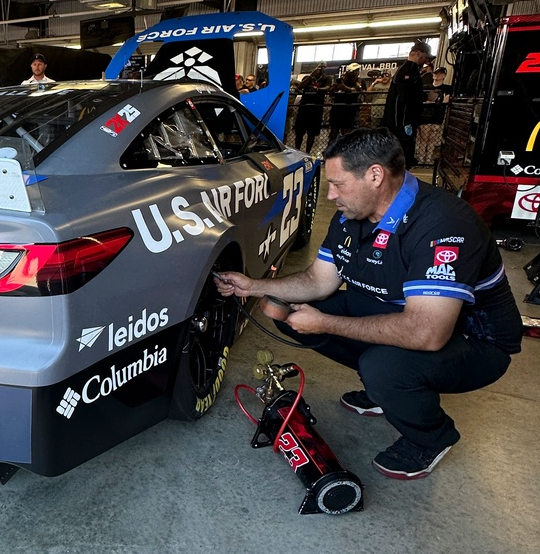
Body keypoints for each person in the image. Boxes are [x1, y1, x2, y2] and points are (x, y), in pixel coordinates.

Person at [215, 129, 520, 480]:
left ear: (375, 176)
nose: (330, 195)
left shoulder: (443, 224)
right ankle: (383, 391)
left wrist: (326, 324)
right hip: (403, 313)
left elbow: (428, 333)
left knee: (384, 366)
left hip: (474, 343)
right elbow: (318, 280)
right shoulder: (352, 216)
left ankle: (431, 436)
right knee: (284, 308)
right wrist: (253, 286)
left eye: (338, 184)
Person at [383, 40, 433, 169]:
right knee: (403, 150)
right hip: (402, 120)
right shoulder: (408, 69)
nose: (427, 60)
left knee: (402, 150)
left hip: (401, 119)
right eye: (426, 56)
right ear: (418, 53)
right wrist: (425, 96)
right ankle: (400, 177)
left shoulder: (410, 69)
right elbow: (406, 95)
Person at [292, 74, 327, 153]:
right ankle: (297, 151)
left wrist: (318, 89)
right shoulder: (308, 78)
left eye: (322, 67)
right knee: (299, 133)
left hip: (316, 110)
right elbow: (300, 86)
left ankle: (308, 152)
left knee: (311, 134)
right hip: (304, 109)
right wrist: (312, 74)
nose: (320, 69)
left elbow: (328, 88)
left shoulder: (325, 78)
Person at [328, 63, 361, 141]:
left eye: (357, 71)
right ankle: (330, 150)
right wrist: (334, 88)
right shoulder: (341, 82)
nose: (356, 73)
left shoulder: (357, 82)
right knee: (333, 133)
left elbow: (357, 90)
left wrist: (345, 88)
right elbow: (331, 94)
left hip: (349, 110)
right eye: (354, 71)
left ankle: (344, 151)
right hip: (337, 110)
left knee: (346, 133)